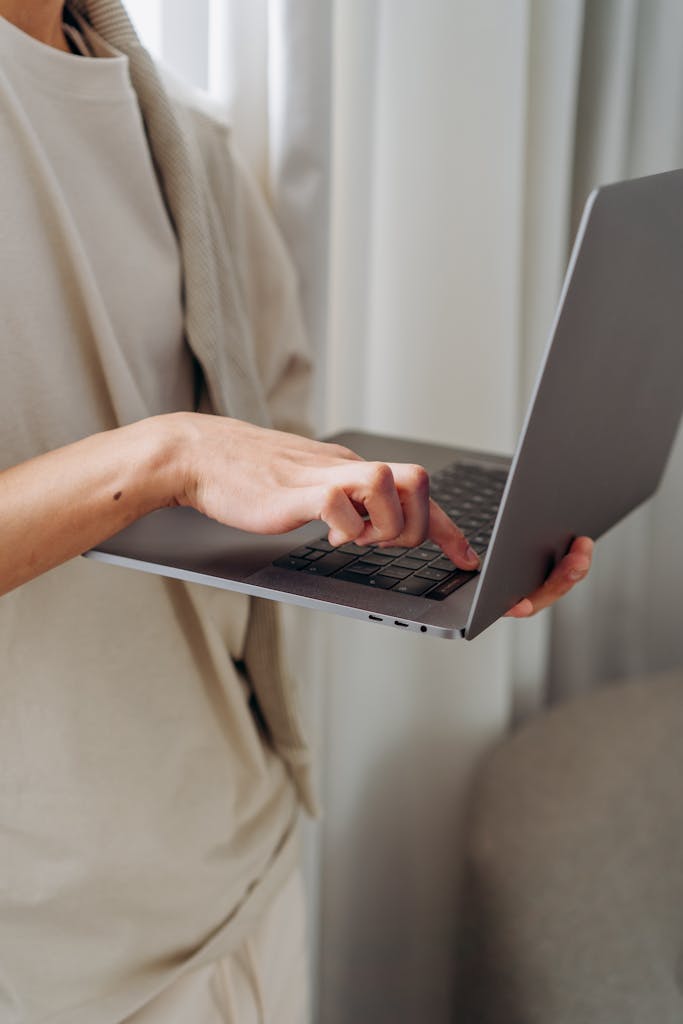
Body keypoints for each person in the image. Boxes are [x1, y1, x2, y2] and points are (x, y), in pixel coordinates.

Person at [0, 1, 594, 1021]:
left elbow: (264, 449)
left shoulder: (180, 127)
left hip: (243, 864)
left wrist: (434, 548)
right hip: (52, 947)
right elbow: (188, 460)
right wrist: (168, 451)